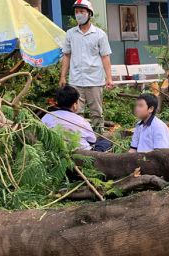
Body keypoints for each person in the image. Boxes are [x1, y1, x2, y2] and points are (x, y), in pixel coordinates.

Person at [59, 0, 113, 133]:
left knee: (96, 112)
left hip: (94, 80)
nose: (79, 15)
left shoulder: (99, 34)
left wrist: (109, 78)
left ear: (89, 14)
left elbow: (105, 57)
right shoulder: (70, 33)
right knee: (75, 112)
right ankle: (78, 138)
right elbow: (66, 55)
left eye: (82, 12)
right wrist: (62, 77)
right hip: (76, 80)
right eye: (76, 12)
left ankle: (99, 137)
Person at [42, 85, 112, 152]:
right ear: (74, 104)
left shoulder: (46, 116)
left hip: (55, 151)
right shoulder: (81, 121)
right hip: (82, 154)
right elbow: (92, 140)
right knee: (106, 142)